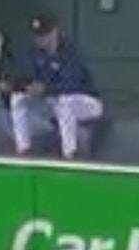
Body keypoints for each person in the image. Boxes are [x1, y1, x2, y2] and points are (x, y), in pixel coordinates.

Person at [7, 14, 105, 159]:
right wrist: (17, 85)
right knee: (17, 99)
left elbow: (72, 84)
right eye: (37, 35)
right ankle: (23, 149)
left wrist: (45, 89)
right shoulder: (34, 52)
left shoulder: (69, 51)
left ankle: (70, 154)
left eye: (44, 34)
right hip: (53, 102)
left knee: (65, 102)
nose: (40, 39)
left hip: (88, 103)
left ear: (54, 32)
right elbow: (28, 77)